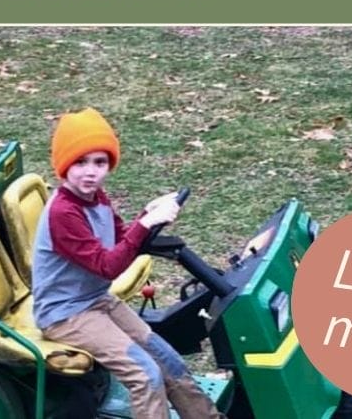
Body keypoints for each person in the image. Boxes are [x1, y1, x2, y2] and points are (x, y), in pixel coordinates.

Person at [32, 108, 221, 419]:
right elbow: (107, 266)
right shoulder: (63, 213)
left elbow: (121, 237)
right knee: (145, 374)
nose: (90, 172)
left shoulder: (96, 197)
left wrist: (146, 216)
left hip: (96, 300)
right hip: (65, 314)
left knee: (170, 362)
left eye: (100, 162)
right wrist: (146, 225)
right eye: (80, 162)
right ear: (63, 166)